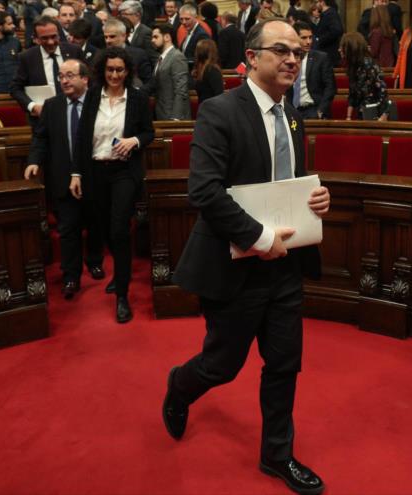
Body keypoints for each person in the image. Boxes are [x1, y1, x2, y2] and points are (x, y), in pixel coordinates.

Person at [165, 18, 330, 495]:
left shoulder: (293, 116)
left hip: (285, 266)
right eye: (281, 50)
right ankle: (179, 385)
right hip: (234, 265)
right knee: (222, 365)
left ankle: (277, 455)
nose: (293, 60)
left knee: (284, 364)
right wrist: (259, 238)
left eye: (298, 51)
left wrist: (316, 200)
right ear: (252, 57)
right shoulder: (219, 110)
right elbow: (205, 192)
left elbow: (285, 184)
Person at [69, 47, 154, 323]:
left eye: (119, 69)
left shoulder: (138, 99)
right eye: (110, 70)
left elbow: (148, 131)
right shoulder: (92, 96)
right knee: (105, 227)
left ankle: (122, 295)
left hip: (124, 172)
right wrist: (77, 173)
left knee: (119, 228)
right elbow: (82, 137)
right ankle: (119, 275)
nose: (114, 74)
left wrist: (135, 141)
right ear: (102, 71)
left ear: (127, 71)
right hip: (96, 170)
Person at [24, 59, 105, 300]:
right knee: (68, 229)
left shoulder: (97, 102)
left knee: (95, 224)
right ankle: (71, 276)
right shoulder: (52, 105)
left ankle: (95, 261)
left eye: (70, 75)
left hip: (93, 176)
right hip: (61, 176)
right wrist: (33, 161)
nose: (65, 81)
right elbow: (41, 138)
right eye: (61, 76)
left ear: (85, 79)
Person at [10, 17, 84, 125]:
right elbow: (15, 88)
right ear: (36, 39)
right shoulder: (27, 58)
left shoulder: (74, 51)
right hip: (43, 121)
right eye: (44, 38)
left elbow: (88, 80)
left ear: (59, 34)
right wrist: (33, 106)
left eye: (54, 37)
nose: (50, 42)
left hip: (76, 117)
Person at [286, 21, 335, 119]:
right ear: (295, 38)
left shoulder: (321, 58)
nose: (308, 42)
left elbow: (330, 87)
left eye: (310, 37)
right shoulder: (287, 59)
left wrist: (320, 111)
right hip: (292, 111)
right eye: (304, 38)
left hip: (313, 110)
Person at [146, 22, 191, 120]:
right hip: (162, 113)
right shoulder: (161, 57)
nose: (152, 40)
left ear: (167, 37)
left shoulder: (177, 57)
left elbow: (181, 90)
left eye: (155, 37)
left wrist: (176, 117)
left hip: (173, 116)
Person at [341, 32, 389, 121]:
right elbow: (352, 95)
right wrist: (348, 117)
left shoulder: (369, 65)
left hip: (375, 114)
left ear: (352, 49)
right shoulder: (353, 66)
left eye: (343, 47)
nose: (340, 50)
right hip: (362, 113)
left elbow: (382, 91)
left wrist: (384, 115)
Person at [103, 17, 152, 88]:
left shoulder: (139, 55)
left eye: (112, 36)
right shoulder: (100, 56)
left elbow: (148, 82)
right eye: (105, 37)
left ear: (123, 36)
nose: (108, 41)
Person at [192, 38, 223, 103]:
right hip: (207, 108)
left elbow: (219, 95)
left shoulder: (211, 70)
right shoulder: (205, 69)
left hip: (211, 109)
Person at [178, 3, 209, 68]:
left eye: (187, 19)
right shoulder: (189, 31)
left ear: (196, 17)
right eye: (181, 19)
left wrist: (181, 61)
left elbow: (202, 59)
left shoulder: (201, 35)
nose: (183, 22)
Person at [313, 0, 342, 67]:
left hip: (330, 54)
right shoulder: (324, 14)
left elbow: (337, 30)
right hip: (324, 54)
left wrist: (319, 39)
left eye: (317, 2)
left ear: (322, 2)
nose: (316, 5)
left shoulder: (331, 13)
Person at [367, 3, 395, 68]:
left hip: (379, 66)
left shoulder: (376, 32)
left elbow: (374, 53)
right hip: (389, 64)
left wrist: (366, 49)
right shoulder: (389, 31)